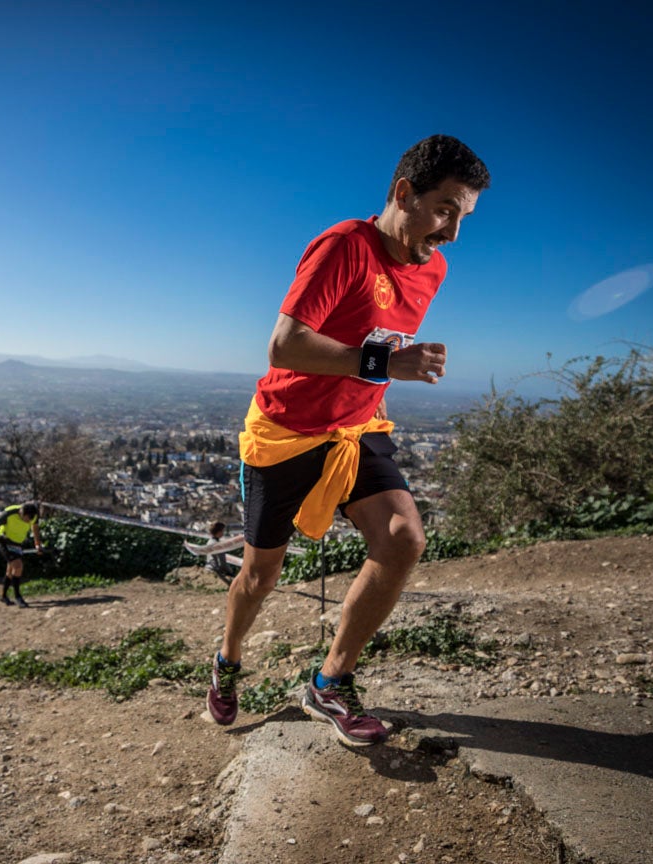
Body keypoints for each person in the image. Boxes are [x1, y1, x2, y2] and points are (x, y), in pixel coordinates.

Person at [206, 135, 490, 745]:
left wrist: (386, 369)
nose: (452, 233)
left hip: (356, 430)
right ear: (403, 192)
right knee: (261, 578)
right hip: (285, 434)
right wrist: (384, 366)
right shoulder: (344, 247)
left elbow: (374, 343)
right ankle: (227, 660)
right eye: (444, 210)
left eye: (462, 217)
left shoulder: (432, 266)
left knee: (403, 539)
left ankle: (330, 683)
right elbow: (285, 345)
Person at [0, 502, 42, 607]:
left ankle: (3, 595)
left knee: (11, 569)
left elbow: (35, 528)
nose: (27, 521)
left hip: (17, 543)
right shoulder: (9, 513)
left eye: (30, 520)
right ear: (21, 513)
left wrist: (37, 544)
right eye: (26, 519)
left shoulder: (33, 516)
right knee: (18, 565)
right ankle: (18, 597)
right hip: (4, 540)